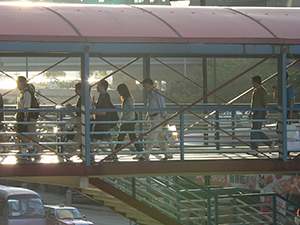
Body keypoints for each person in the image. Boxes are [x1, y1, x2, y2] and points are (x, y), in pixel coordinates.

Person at [134, 78, 173, 161]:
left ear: (151, 85)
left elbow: (162, 105)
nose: (145, 88)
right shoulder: (151, 94)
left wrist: (165, 117)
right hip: (153, 117)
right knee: (160, 136)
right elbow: (151, 106)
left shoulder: (157, 93)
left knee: (152, 136)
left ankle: (146, 155)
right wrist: (148, 116)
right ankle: (168, 154)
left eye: (146, 86)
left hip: (158, 117)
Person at [90, 79, 116, 162]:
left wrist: (93, 111)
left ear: (103, 87)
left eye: (99, 86)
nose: (97, 87)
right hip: (101, 121)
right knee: (97, 137)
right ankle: (91, 152)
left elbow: (103, 112)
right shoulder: (102, 96)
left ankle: (113, 153)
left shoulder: (105, 97)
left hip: (103, 121)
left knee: (106, 137)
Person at [248, 76, 275, 152]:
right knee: (256, 130)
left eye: (253, 82)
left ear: (256, 82)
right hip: (255, 112)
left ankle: (254, 148)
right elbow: (253, 103)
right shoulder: (255, 91)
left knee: (255, 130)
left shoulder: (263, 92)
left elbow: (265, 104)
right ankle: (269, 143)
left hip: (260, 112)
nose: (252, 84)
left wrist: (266, 115)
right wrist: (250, 112)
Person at [115, 83, 143, 153]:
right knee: (131, 137)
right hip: (129, 120)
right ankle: (140, 151)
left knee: (122, 137)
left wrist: (124, 118)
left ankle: (115, 151)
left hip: (128, 121)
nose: (119, 93)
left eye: (119, 91)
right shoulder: (127, 98)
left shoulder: (128, 99)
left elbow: (131, 109)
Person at [15, 76, 35, 157]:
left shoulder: (26, 93)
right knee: (22, 134)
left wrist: (25, 118)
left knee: (19, 133)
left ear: (22, 83)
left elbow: (27, 107)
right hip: (19, 114)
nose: (17, 85)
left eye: (18, 83)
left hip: (23, 115)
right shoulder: (21, 93)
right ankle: (24, 151)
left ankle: (30, 147)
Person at [65, 83, 83, 153]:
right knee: (82, 135)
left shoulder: (82, 97)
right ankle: (88, 151)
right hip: (80, 117)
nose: (75, 91)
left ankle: (72, 150)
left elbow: (81, 108)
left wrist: (72, 107)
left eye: (76, 89)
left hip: (81, 118)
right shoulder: (83, 97)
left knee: (79, 134)